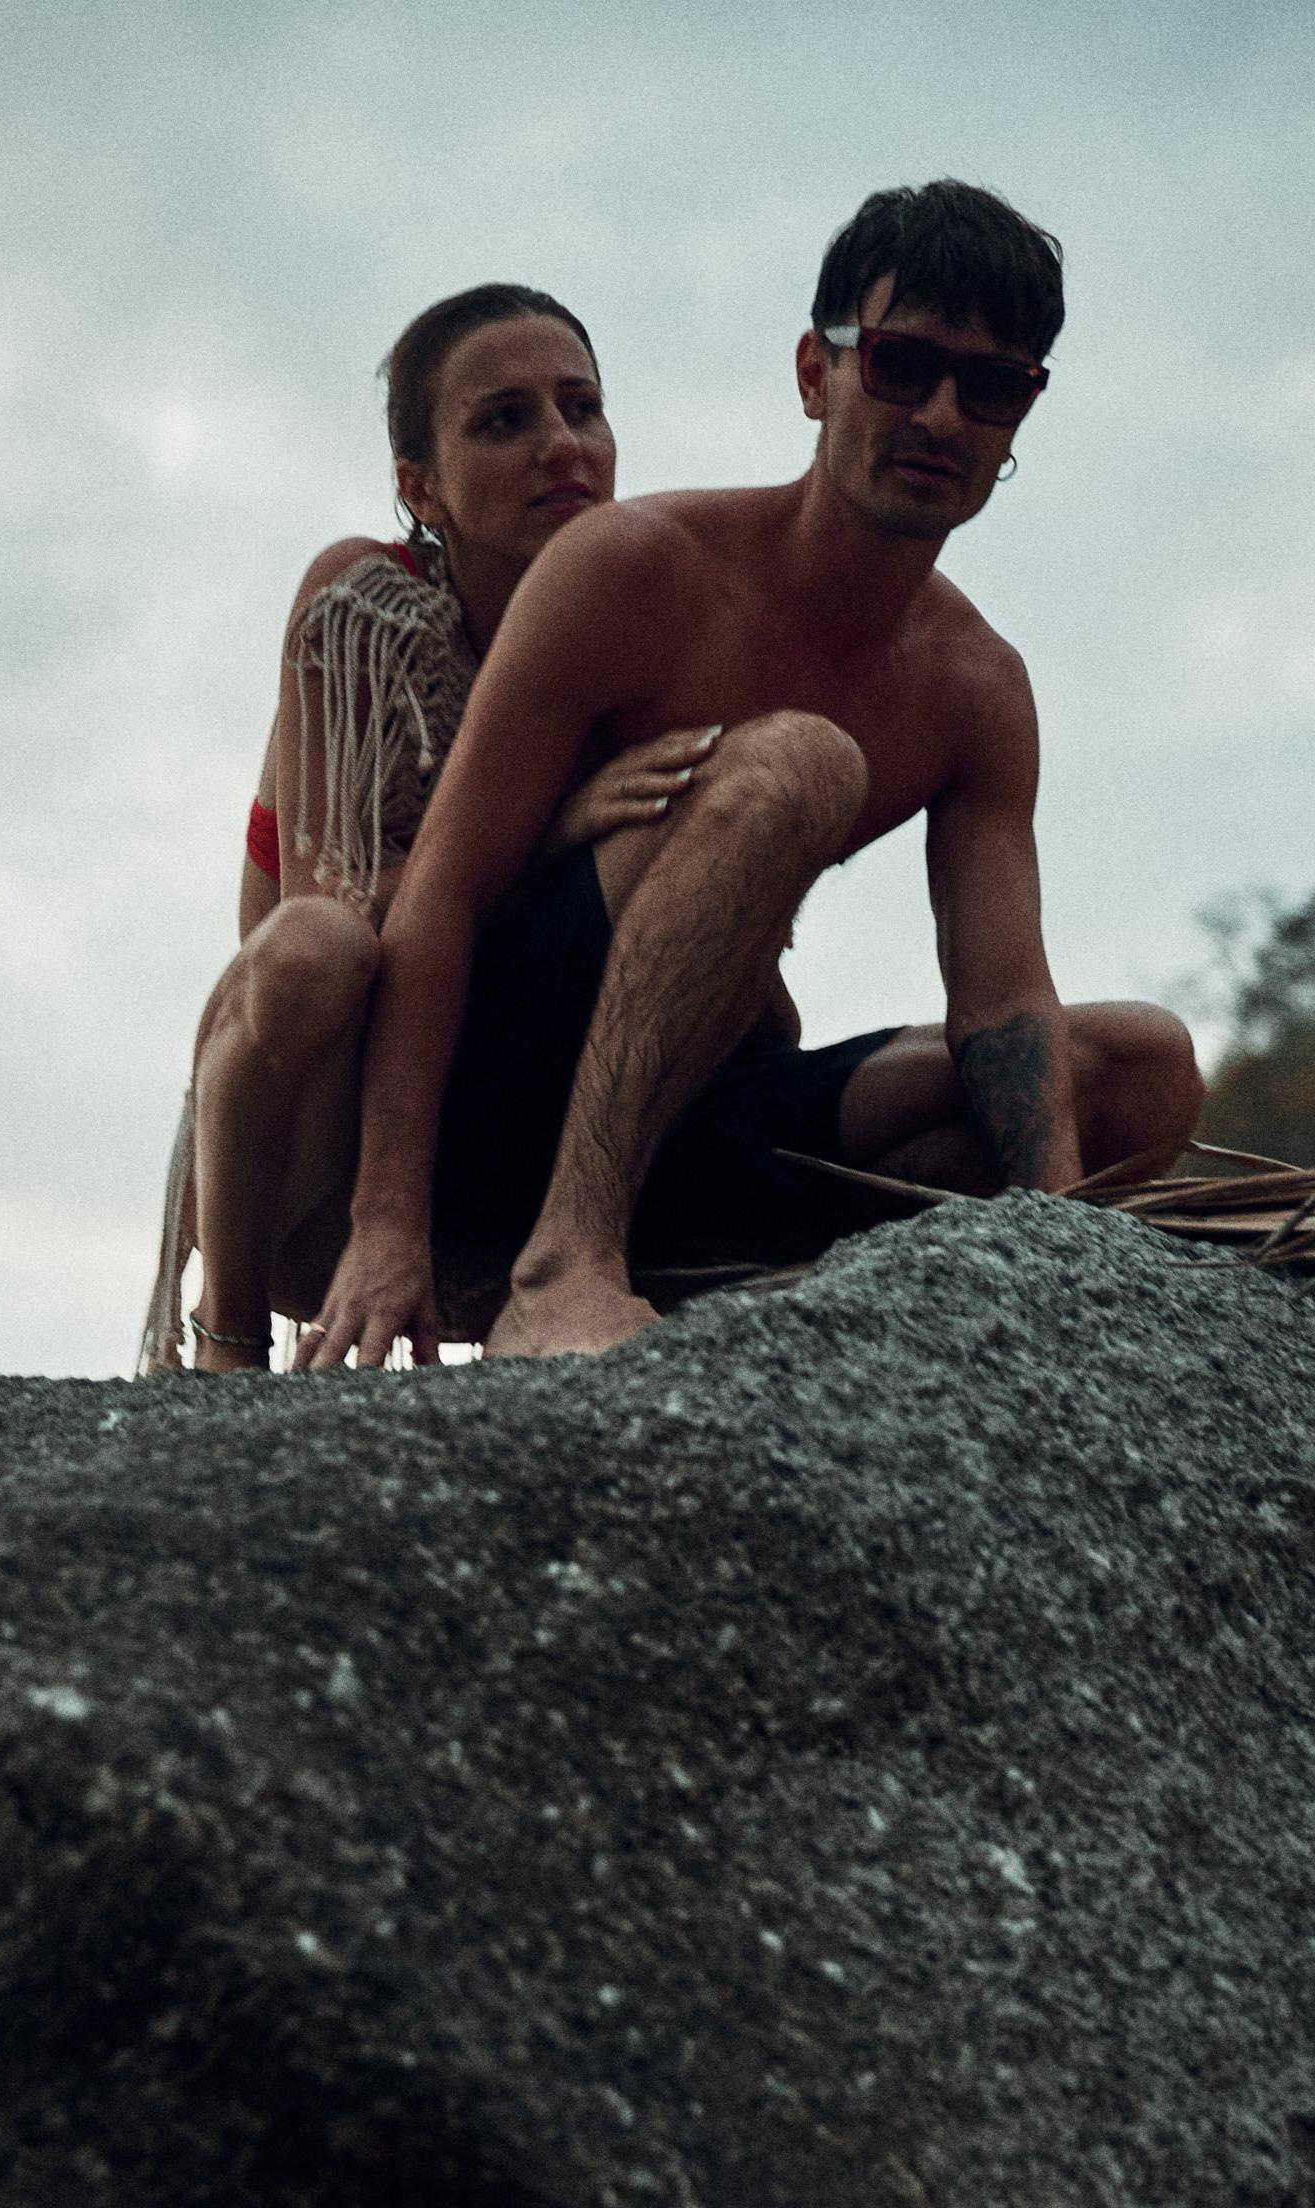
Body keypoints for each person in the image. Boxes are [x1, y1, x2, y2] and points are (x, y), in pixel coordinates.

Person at [295, 177, 1204, 1370]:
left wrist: (1061, 1241)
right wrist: (382, 1224)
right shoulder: (631, 567)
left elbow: (999, 1001)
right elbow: (443, 896)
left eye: (989, 386)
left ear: (1020, 416)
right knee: (799, 766)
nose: (939, 415)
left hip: (696, 1120)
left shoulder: (974, 685)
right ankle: (561, 1263)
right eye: (899, 364)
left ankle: (723, 1279)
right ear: (813, 374)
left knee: (1142, 1068)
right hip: (494, 1099)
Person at [140, 282, 713, 1371]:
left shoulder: (634, 635)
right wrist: (548, 831)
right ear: (420, 485)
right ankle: (226, 1333)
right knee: (320, 954)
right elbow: (325, 910)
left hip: (516, 1114)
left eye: (580, 408)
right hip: (320, 1129)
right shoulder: (370, 605)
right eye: (504, 420)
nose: (560, 445)